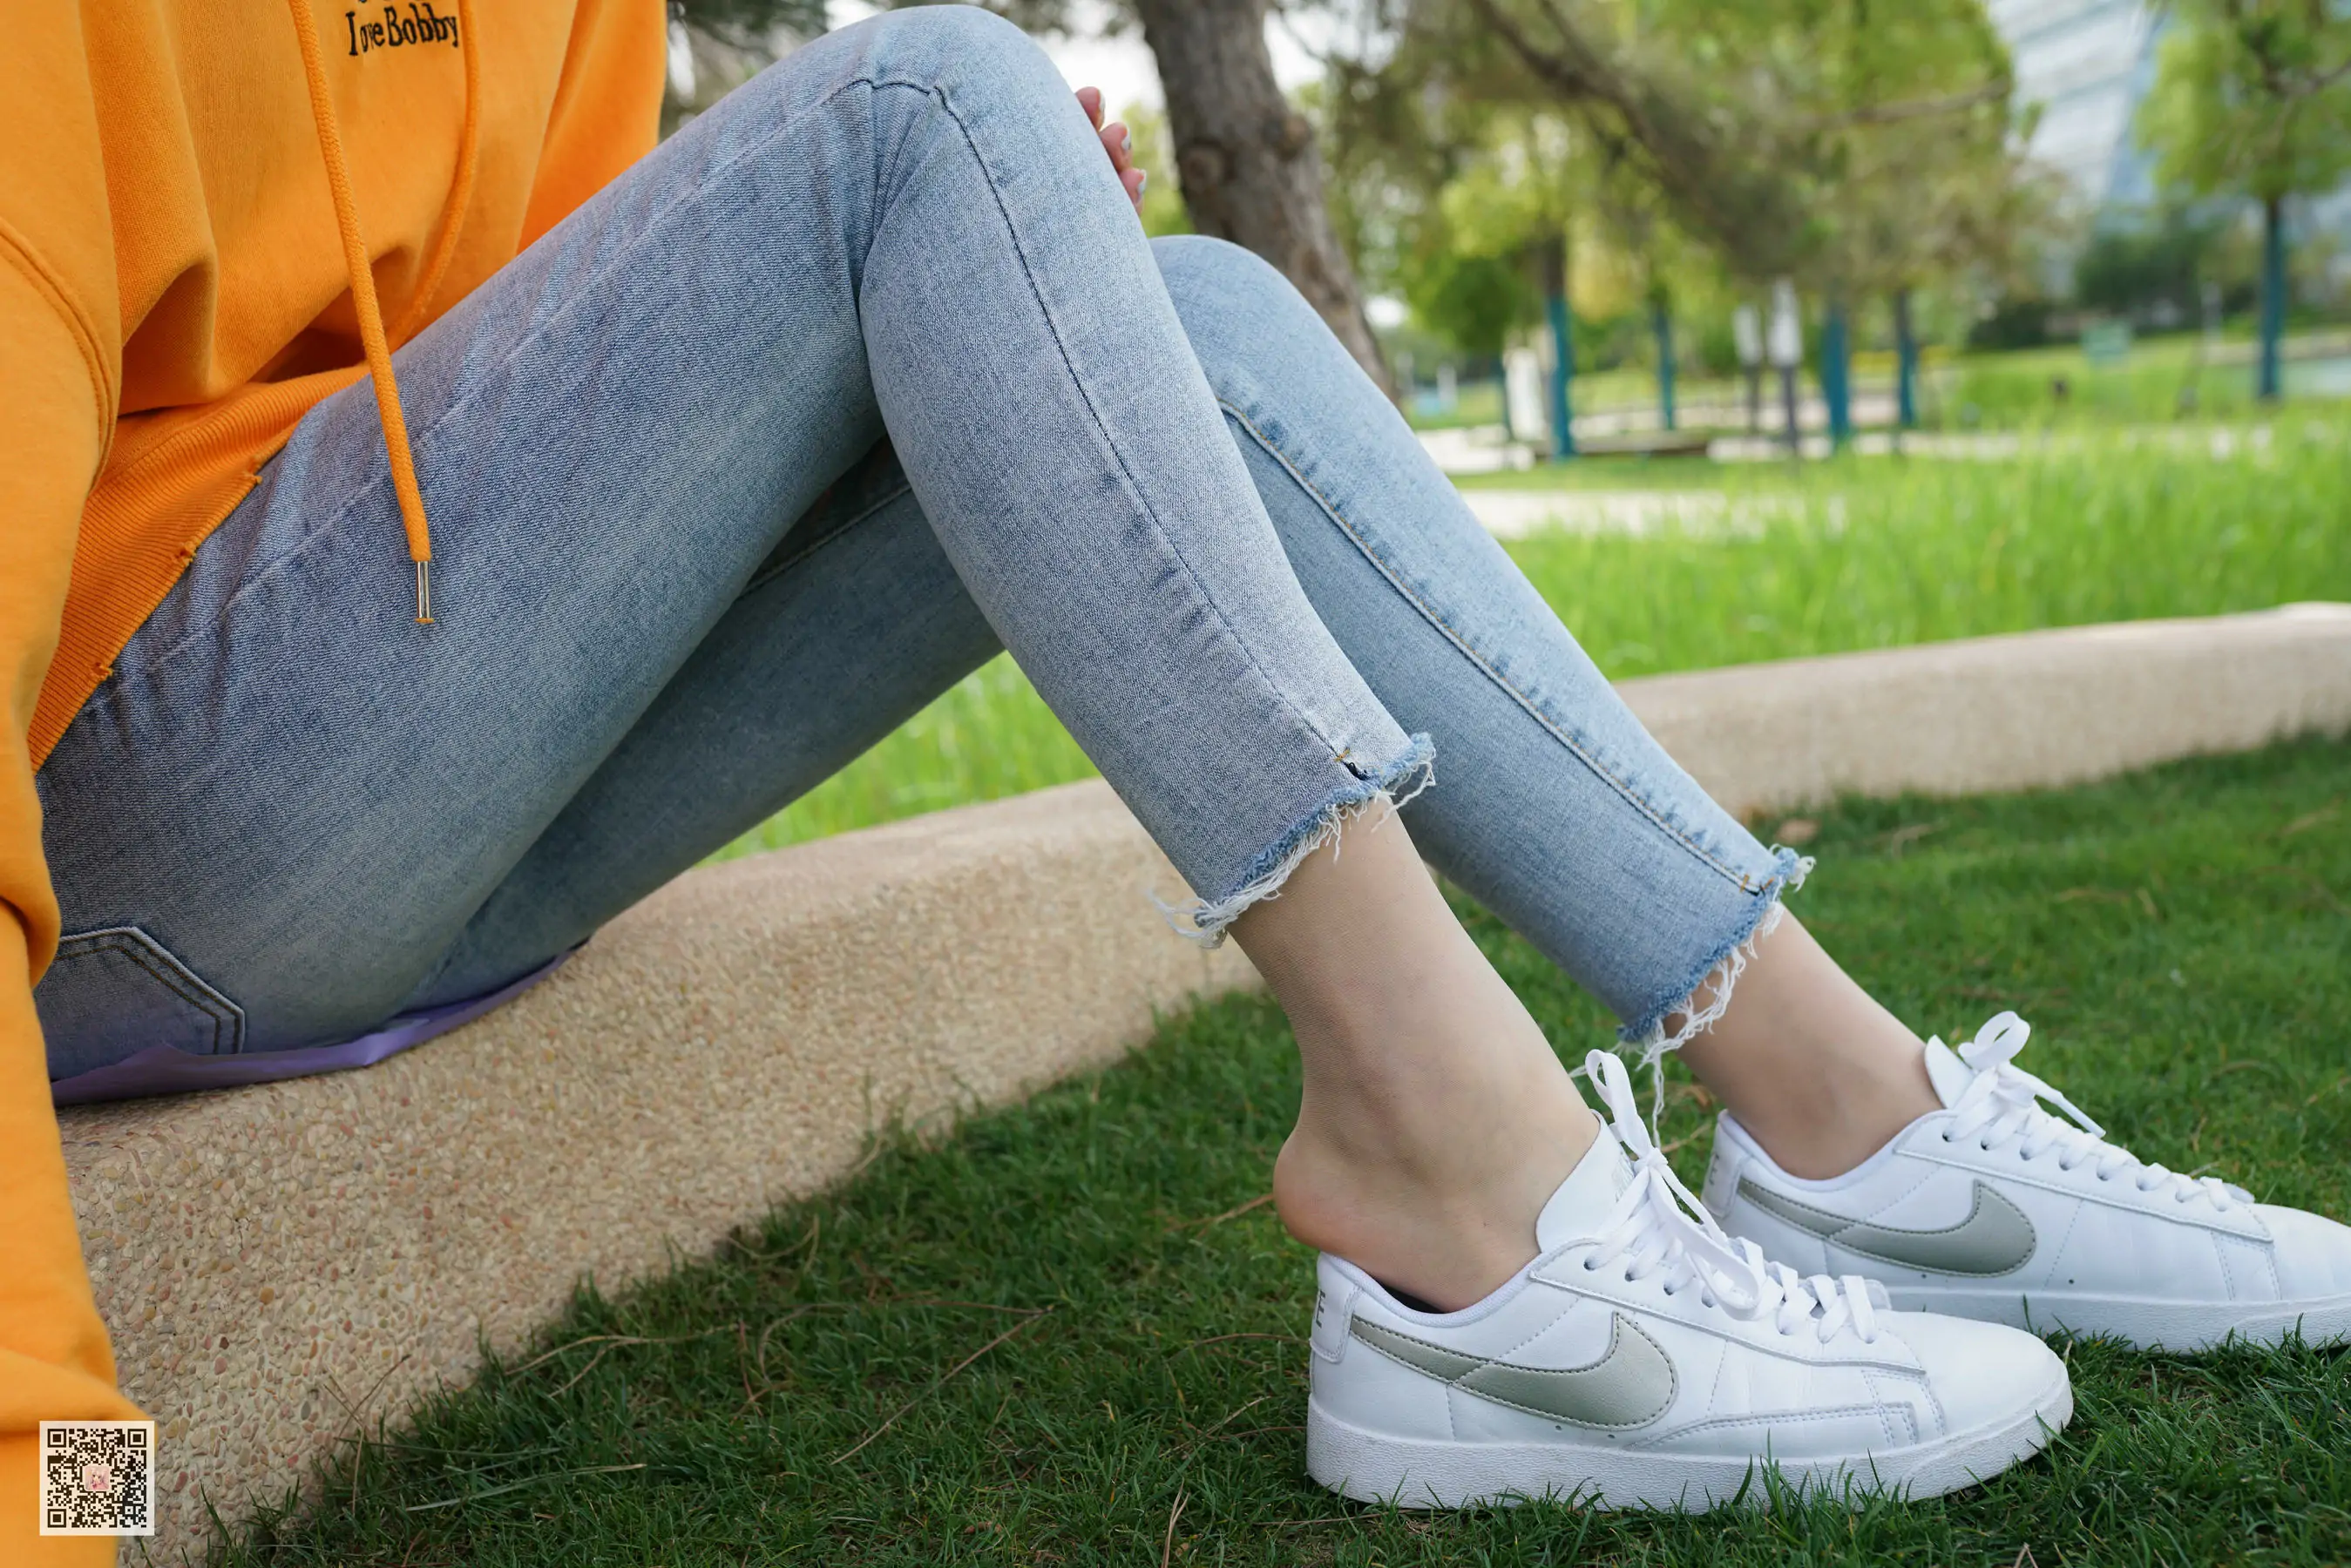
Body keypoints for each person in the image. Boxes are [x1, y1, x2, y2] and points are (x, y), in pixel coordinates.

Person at [6, 1, 2348, 1551]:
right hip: (135, 813)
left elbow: (488, 415)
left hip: (423, 809)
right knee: (929, 109)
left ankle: (1849, 1125)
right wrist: (57, 1490)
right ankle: (1446, 1162)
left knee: (1184, 313)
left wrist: (1017, 299)